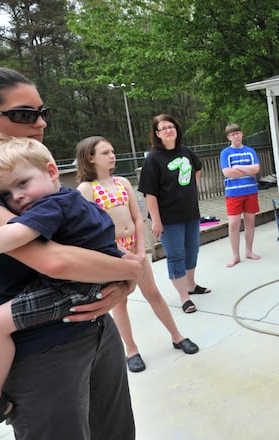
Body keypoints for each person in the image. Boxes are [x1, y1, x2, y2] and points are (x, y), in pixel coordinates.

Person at [0, 66, 142, 439]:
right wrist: (132, 270)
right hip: (41, 351)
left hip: (93, 328)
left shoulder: (22, 173)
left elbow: (82, 242)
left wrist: (122, 282)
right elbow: (54, 260)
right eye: (25, 115)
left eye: (43, 112)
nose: (40, 122)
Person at [76, 136, 199, 373]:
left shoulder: (122, 182)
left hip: (136, 250)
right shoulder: (86, 190)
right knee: (120, 302)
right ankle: (131, 349)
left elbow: (137, 218)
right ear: (90, 158)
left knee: (153, 292)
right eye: (105, 153)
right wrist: (124, 254)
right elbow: (94, 230)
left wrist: (141, 250)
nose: (112, 155)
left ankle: (177, 336)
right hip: (112, 256)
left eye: (112, 151)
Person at [138, 114, 210, 314]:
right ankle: (184, 297)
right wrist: (156, 221)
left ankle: (191, 285)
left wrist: (192, 188)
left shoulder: (185, 151)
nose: (169, 130)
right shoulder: (153, 159)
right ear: (157, 134)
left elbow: (197, 168)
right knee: (176, 255)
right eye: (163, 128)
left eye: (171, 126)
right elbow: (149, 193)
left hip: (190, 213)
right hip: (168, 218)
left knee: (192, 249)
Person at [219, 123, 261, 267]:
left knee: (250, 222)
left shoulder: (250, 151)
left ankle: (249, 251)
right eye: (232, 134)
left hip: (250, 191)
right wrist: (246, 170)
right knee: (233, 224)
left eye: (237, 133)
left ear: (241, 134)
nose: (235, 136)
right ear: (228, 137)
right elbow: (227, 172)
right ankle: (235, 255)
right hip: (233, 193)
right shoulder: (225, 153)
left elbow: (256, 169)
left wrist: (238, 168)